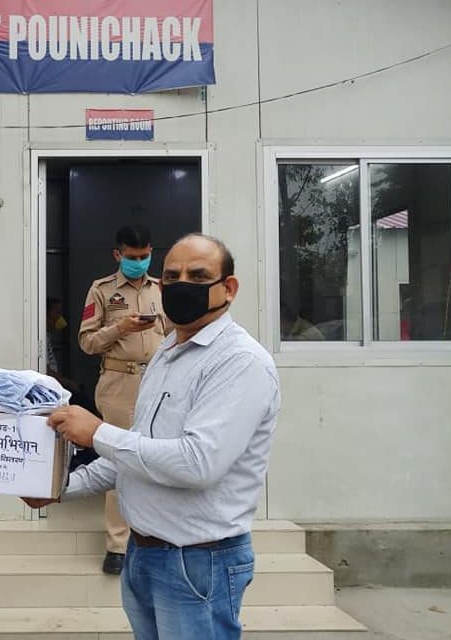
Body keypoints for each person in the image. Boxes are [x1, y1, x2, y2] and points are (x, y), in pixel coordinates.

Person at [27, 233, 280, 639]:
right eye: (173, 276)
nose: (181, 285)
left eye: (198, 276)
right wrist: (62, 487)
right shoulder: (167, 351)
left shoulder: (239, 362)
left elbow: (198, 464)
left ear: (228, 289)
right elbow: (136, 453)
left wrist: (96, 433)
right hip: (144, 555)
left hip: (197, 562)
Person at [77, 224, 168, 575]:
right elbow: (87, 342)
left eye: (145, 256)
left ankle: (155, 532)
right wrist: (121, 328)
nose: (140, 263)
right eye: (132, 258)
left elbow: (177, 336)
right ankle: (117, 544)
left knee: (158, 457)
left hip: (158, 382)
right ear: (118, 255)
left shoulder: (162, 289)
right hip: (119, 382)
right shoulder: (101, 290)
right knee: (120, 459)